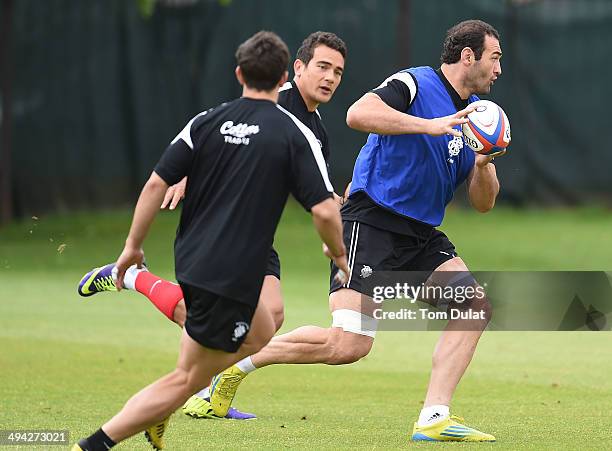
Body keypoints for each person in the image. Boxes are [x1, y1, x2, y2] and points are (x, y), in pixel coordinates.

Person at [209, 18, 502, 442]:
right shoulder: (415, 83)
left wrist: (485, 160)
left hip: (421, 234)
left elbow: (483, 203)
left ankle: (434, 416)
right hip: (372, 221)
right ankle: (236, 364)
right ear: (468, 56)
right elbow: (358, 113)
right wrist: (431, 125)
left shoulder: (477, 116)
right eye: (495, 58)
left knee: (474, 308)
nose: (499, 69)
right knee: (348, 345)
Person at [72, 30, 348, 451]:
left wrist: (136, 239)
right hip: (228, 254)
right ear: (288, 75)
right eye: (323, 67)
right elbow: (323, 206)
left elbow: (319, 192)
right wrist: (336, 246)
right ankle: (148, 397)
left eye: (338, 71)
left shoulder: (216, 121)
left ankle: (177, 384)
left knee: (266, 322)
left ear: (240, 72)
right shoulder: (288, 125)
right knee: (193, 363)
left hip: (237, 245)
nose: (330, 77)